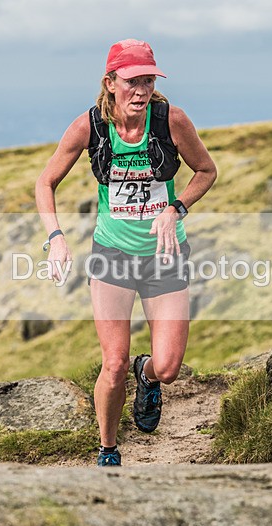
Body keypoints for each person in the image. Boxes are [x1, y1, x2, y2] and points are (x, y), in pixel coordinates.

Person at [35, 39, 216, 466]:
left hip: (165, 255)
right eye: (132, 81)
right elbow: (45, 182)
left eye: (148, 80)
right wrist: (56, 237)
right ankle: (108, 450)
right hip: (112, 255)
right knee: (113, 364)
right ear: (110, 83)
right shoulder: (90, 127)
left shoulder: (171, 121)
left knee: (168, 368)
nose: (141, 90)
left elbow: (206, 171)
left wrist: (175, 208)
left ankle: (146, 374)